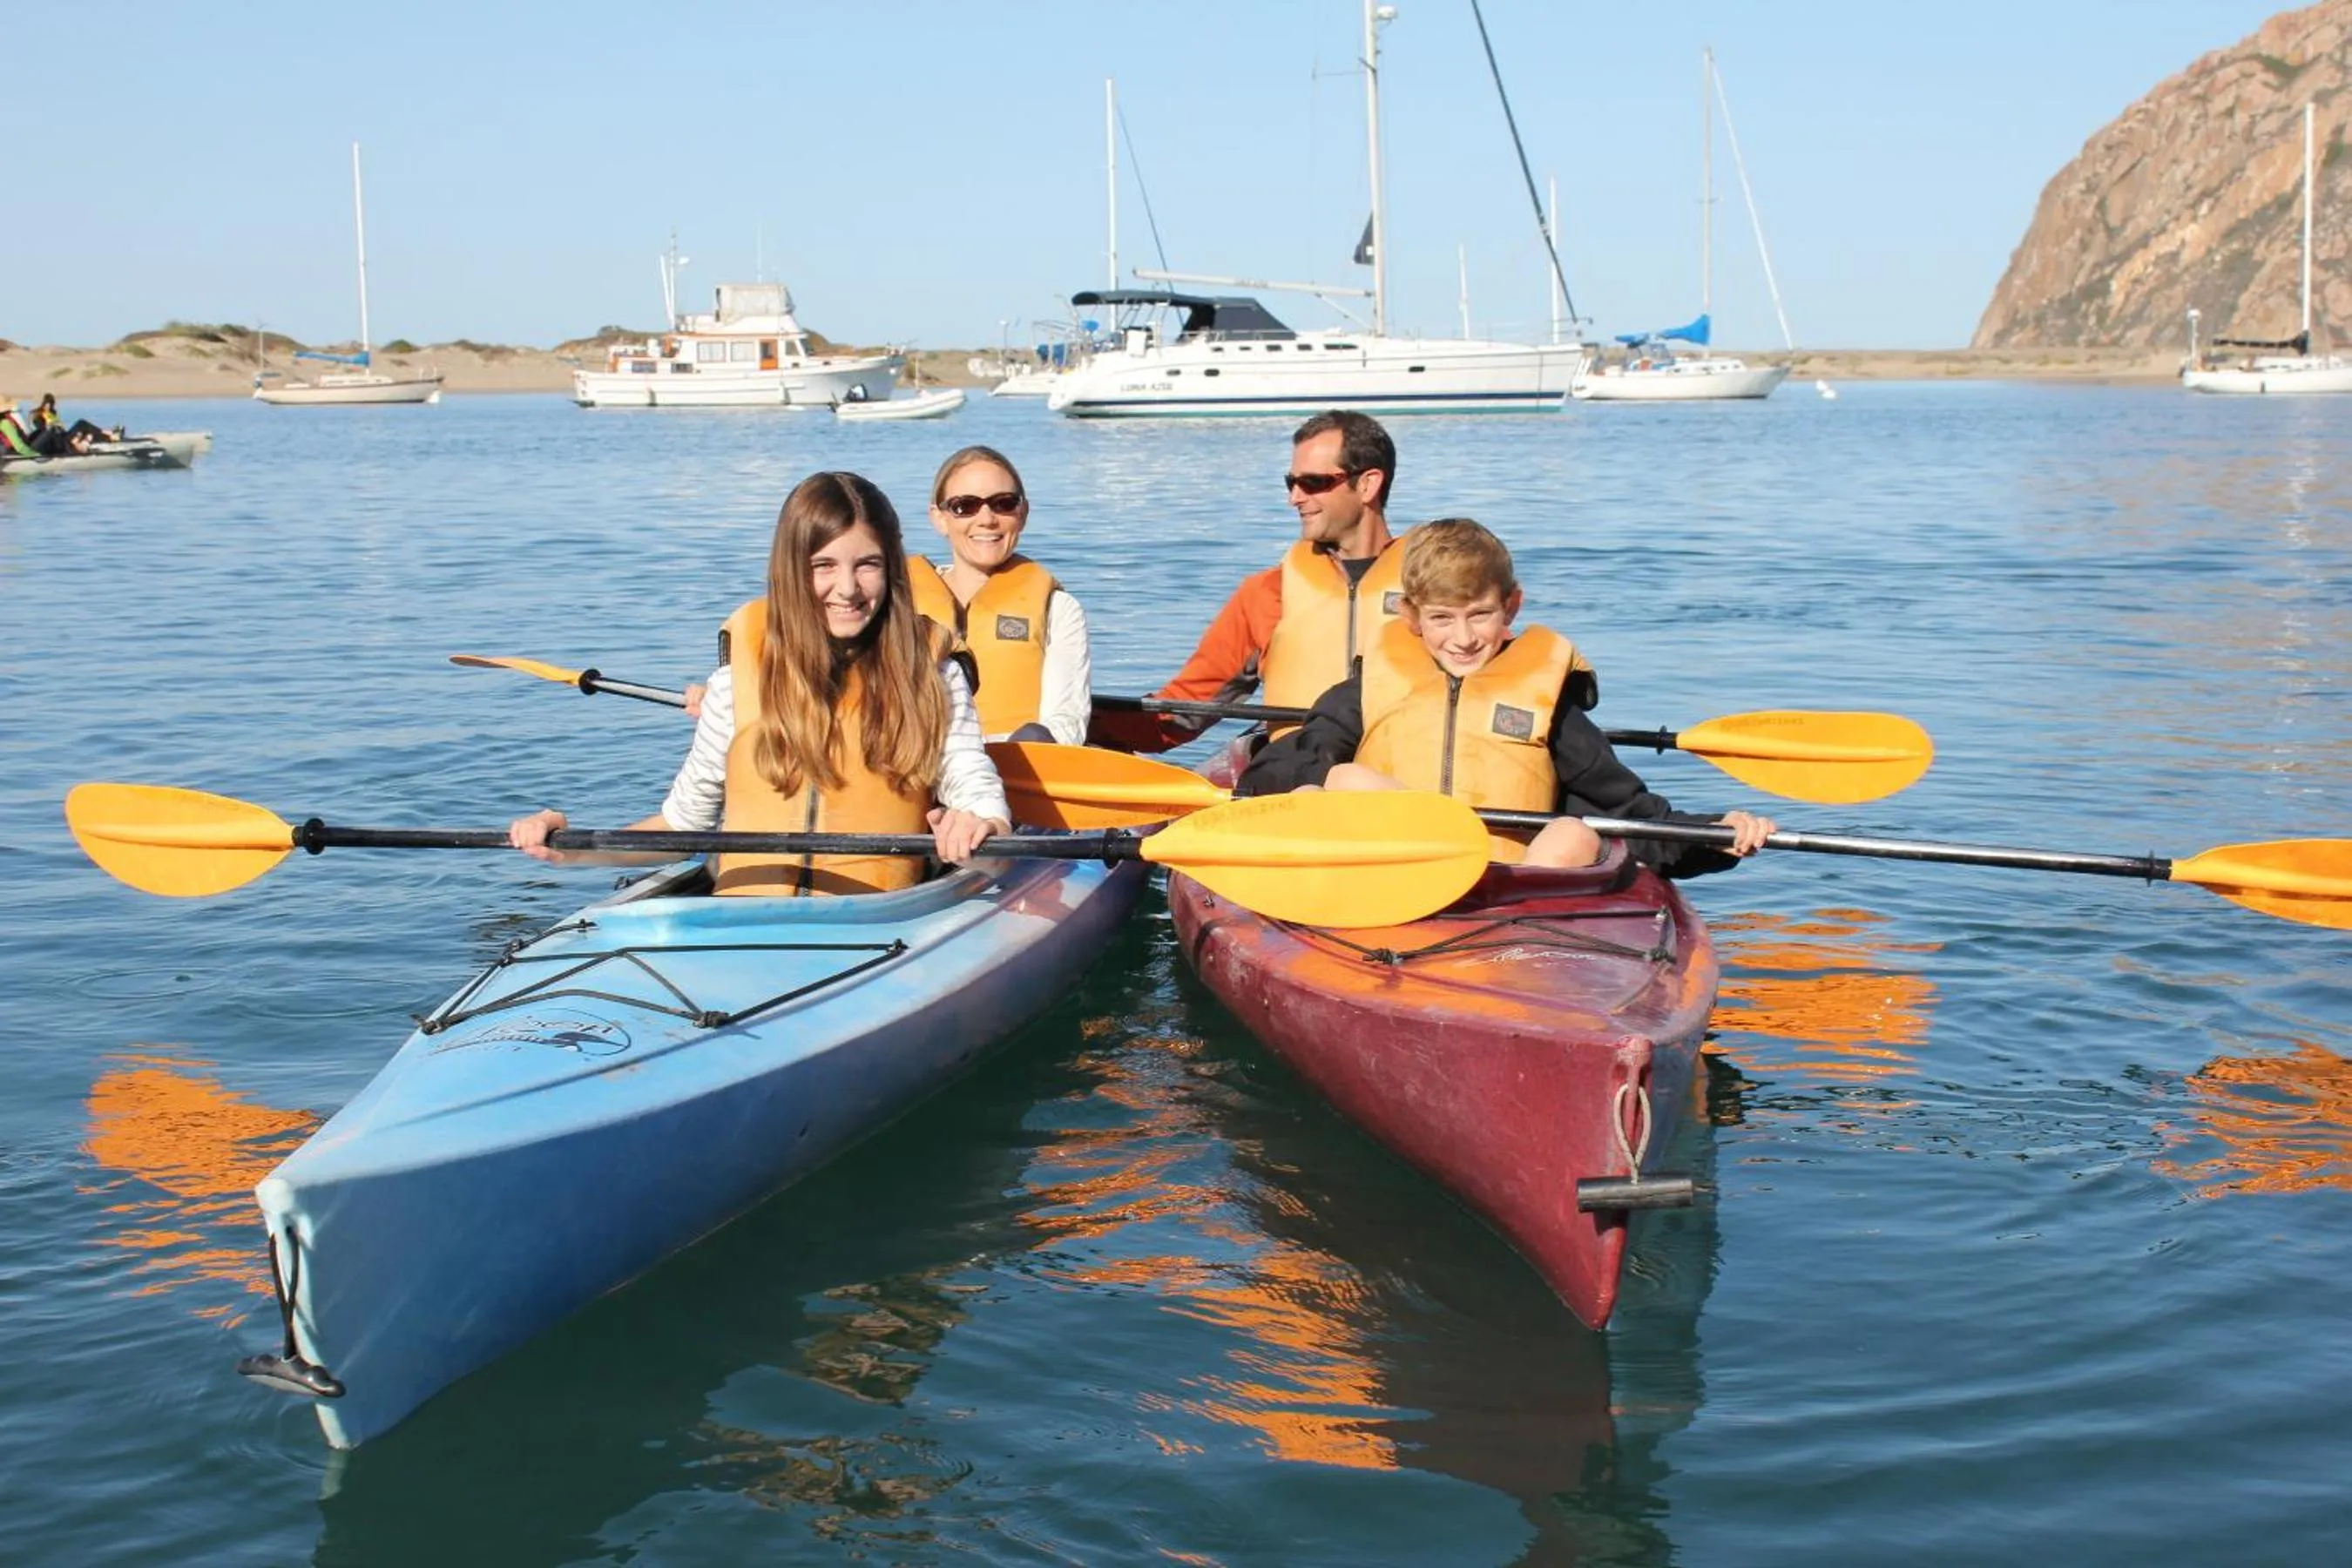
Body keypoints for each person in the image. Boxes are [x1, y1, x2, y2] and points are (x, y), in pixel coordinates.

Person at [510, 470, 1012, 896]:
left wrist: (984, 822)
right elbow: (683, 826)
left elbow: (971, 778)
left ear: (891, 570)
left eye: (868, 565)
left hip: (881, 925)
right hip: (747, 926)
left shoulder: (934, 676)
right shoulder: (736, 683)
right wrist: (571, 848)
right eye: (824, 566)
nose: (847, 588)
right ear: (792, 571)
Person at [1237, 518, 1775, 875]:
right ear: (1411, 618)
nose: (1464, 637)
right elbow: (1275, 771)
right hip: (1389, 877)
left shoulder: (1546, 705)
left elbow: (1631, 814)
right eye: (1443, 618)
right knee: (1342, 779)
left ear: (1510, 608)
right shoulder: (1365, 692)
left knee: (1572, 832)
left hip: (1507, 897)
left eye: (1481, 615)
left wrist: (1716, 836)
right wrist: (1310, 790)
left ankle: (1520, 954)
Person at [1088, 408, 1409, 753]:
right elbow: (1185, 710)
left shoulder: (1437, 591)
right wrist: (1082, 720)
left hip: (1403, 777)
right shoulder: (1266, 593)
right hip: (1299, 777)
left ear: (1367, 484)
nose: (1295, 498)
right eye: (1291, 483)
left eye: (1313, 483)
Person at [904, 444, 1092, 746]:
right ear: (939, 518)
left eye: (1004, 503)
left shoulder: (1059, 609)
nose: (987, 519)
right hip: (913, 766)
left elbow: (1066, 725)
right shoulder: (897, 604)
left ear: (1024, 512)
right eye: (965, 506)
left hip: (1018, 768)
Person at [28, 394, 120, 456]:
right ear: (44, 404)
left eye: (52, 404)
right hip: (58, 442)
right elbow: (42, 432)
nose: (50, 406)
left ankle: (109, 436)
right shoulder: (38, 416)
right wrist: (51, 425)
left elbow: (60, 429)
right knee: (82, 424)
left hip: (63, 436)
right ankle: (109, 434)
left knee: (83, 427)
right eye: (48, 404)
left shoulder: (52, 413)